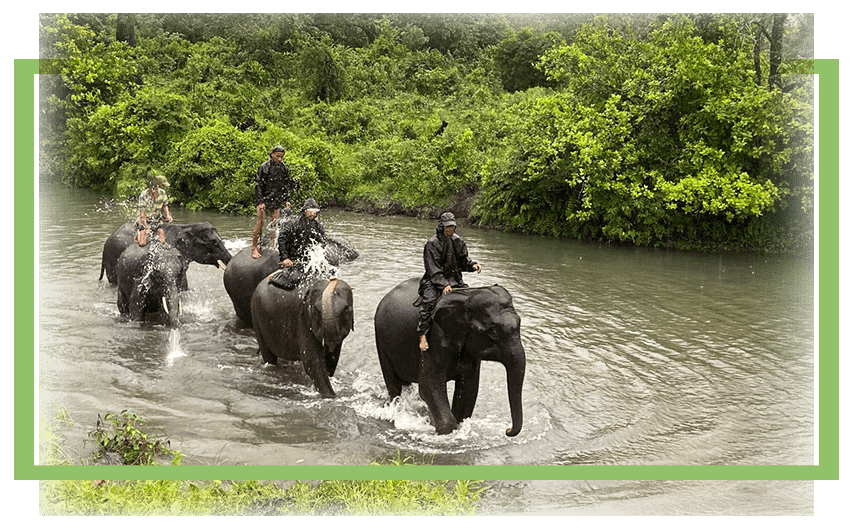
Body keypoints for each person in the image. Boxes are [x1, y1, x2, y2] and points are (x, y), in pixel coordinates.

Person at [417, 212, 481, 352]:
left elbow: (463, 260)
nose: (450, 229)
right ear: (441, 226)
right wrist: (444, 284)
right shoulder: (432, 244)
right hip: (434, 280)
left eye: (452, 226)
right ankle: (422, 335)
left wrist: (472, 265)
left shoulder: (457, 240)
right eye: (447, 227)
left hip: (455, 279)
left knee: (470, 299)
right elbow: (433, 269)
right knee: (429, 302)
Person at [253, 144, 298, 258]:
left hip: (276, 199)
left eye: (281, 157)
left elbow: (285, 185)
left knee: (274, 224)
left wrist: (286, 199)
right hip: (264, 199)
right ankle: (254, 247)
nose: (280, 159)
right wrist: (260, 202)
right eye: (277, 156)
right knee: (260, 223)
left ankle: (272, 245)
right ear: (272, 154)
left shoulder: (283, 168)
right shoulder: (264, 167)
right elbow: (258, 185)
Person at [277, 198, 328, 268]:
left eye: (315, 211)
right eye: (311, 211)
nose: (313, 213)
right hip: (292, 257)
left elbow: (322, 243)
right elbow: (282, 239)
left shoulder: (318, 226)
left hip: (308, 258)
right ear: (305, 211)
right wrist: (285, 258)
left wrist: (320, 259)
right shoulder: (293, 223)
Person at [134, 175, 173, 246]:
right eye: (153, 190)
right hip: (146, 220)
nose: (155, 192)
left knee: (162, 241)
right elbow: (142, 214)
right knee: (142, 243)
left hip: (157, 219)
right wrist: (146, 227)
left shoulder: (162, 193)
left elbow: (165, 206)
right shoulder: (143, 195)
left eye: (156, 190)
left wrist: (168, 215)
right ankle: (138, 232)